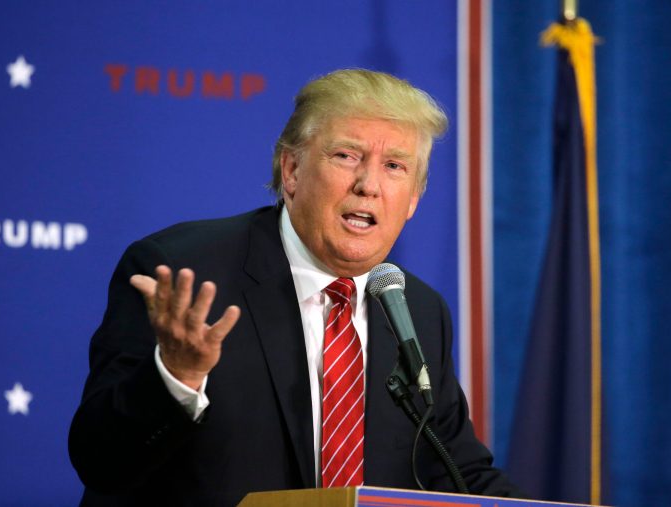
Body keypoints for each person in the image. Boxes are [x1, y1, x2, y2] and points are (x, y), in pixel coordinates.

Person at [69, 69, 522, 506]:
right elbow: (100, 462)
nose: (368, 185)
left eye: (394, 166)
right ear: (291, 170)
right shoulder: (183, 274)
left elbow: (457, 472)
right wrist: (176, 378)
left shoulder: (416, 310)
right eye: (346, 156)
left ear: (413, 201)